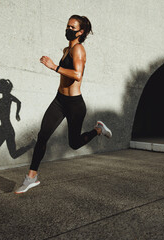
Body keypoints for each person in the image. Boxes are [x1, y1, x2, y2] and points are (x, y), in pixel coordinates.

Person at [15, 15, 112, 194]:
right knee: (43, 135)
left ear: (80, 32)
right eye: (67, 26)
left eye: (72, 27)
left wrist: (54, 67)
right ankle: (31, 177)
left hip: (75, 104)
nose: (68, 29)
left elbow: (77, 74)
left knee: (74, 144)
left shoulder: (79, 50)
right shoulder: (66, 49)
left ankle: (98, 129)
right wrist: (55, 66)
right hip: (59, 100)